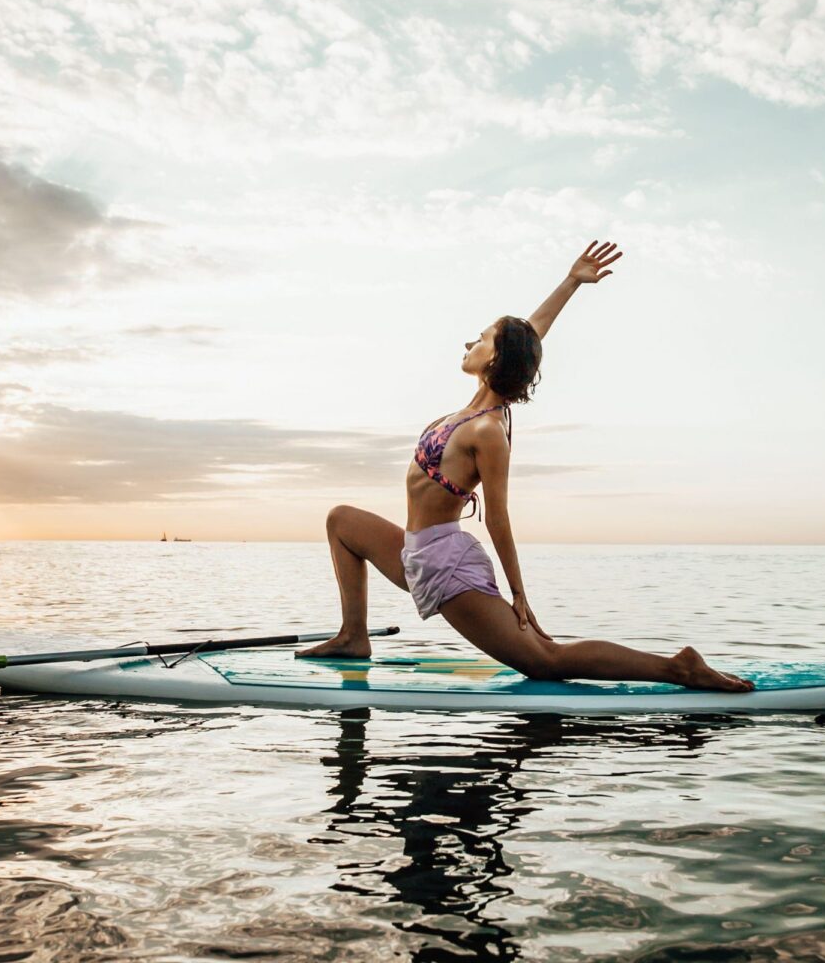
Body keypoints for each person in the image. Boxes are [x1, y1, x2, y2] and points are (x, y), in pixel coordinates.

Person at [297, 241, 754, 693]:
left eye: (480, 339)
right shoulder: (470, 411)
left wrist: (519, 593)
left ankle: (679, 667)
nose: (469, 342)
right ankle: (354, 636)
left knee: (544, 661)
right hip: (413, 552)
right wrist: (572, 281)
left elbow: (498, 516)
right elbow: (530, 333)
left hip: (445, 565)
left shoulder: (487, 432)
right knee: (341, 521)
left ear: (494, 359)